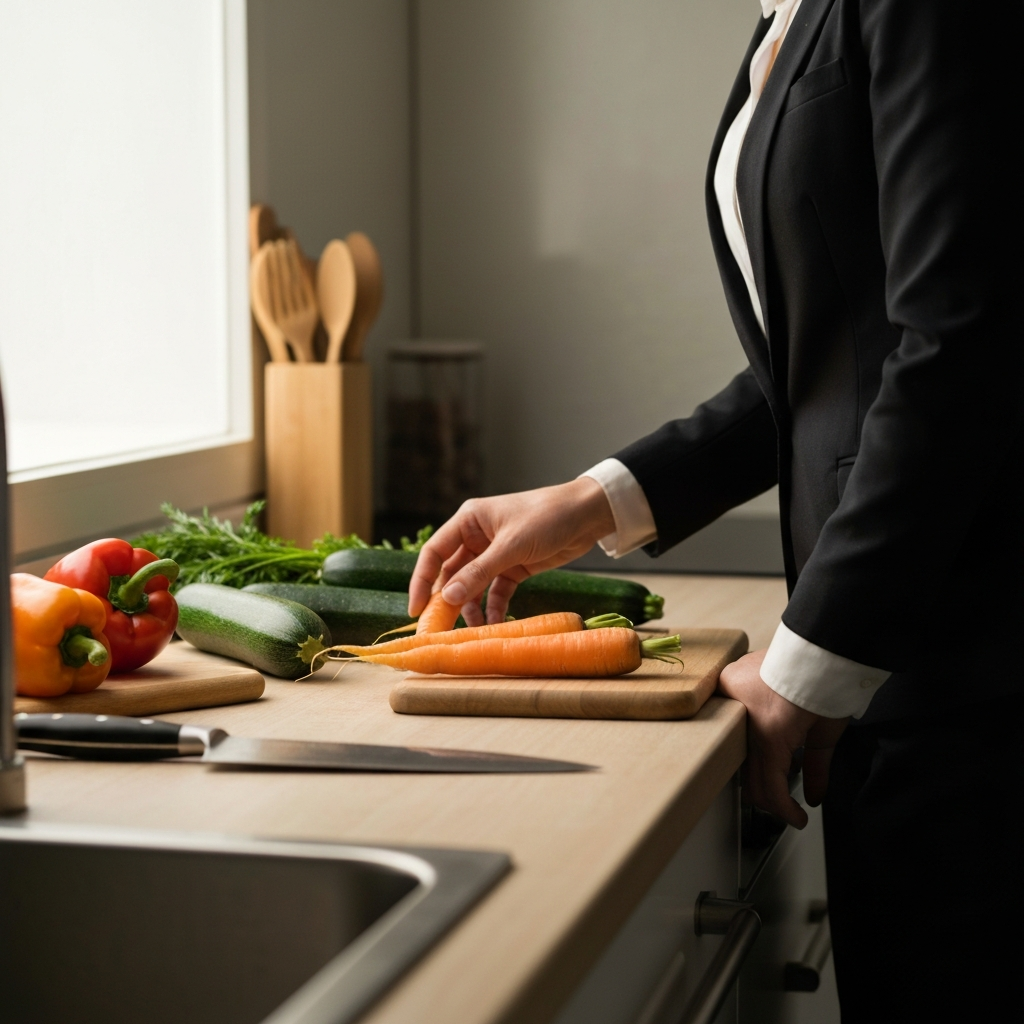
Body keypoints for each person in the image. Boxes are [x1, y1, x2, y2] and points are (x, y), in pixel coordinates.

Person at [409, 1, 1022, 1019]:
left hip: (970, 670)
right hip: (900, 657)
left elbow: (960, 344)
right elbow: (828, 365)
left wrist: (807, 662)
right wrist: (592, 499)